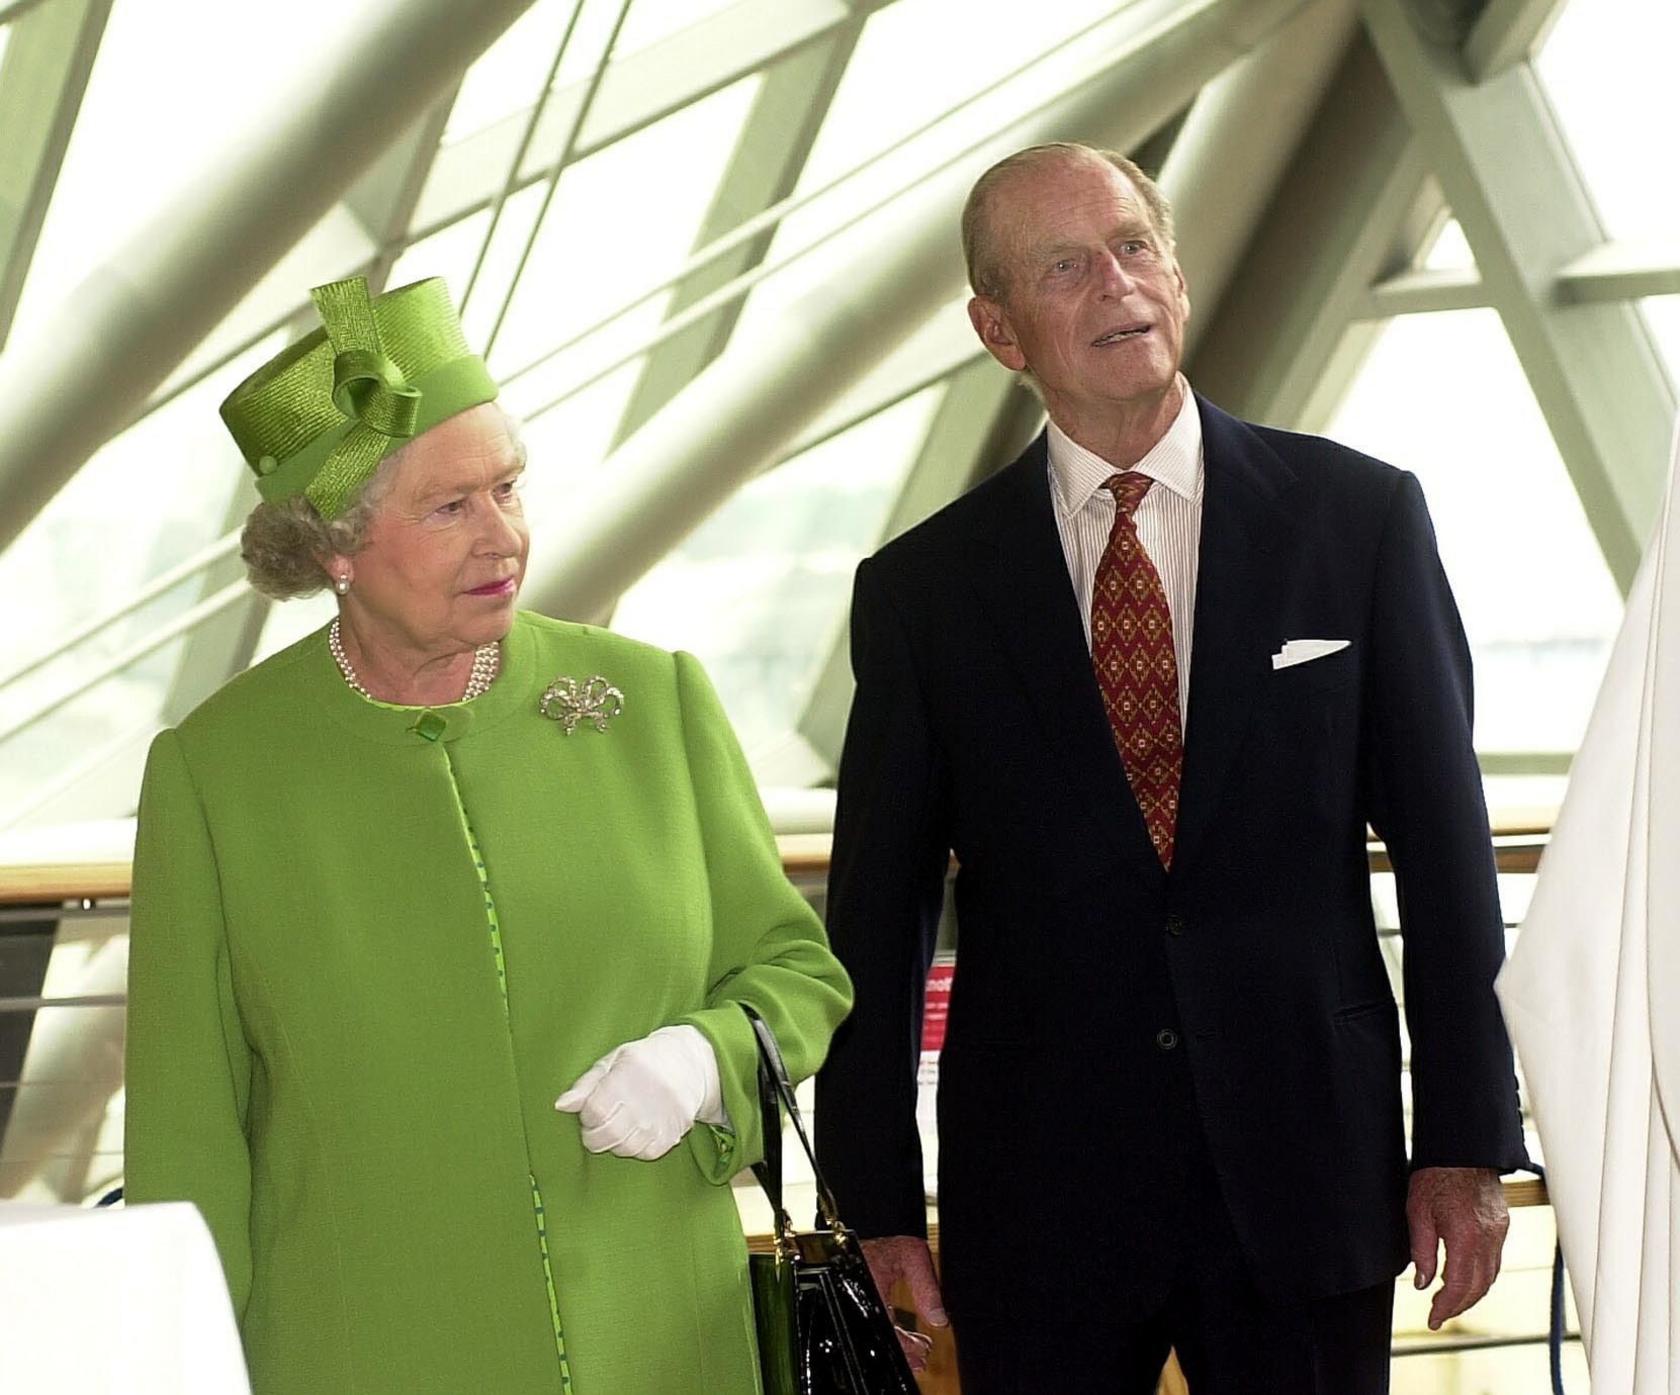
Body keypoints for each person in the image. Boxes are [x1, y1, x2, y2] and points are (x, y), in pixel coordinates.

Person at [813, 142, 1528, 1393]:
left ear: (1180, 281)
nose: (1116, 285)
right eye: (1064, 266)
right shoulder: (925, 593)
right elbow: (878, 910)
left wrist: (1465, 1141)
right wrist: (875, 1200)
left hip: (1311, 1161)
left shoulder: (1358, 521)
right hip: (1039, 1194)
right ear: (1000, 330)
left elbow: (1447, 852)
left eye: (1134, 248)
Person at [124, 275, 852, 1395]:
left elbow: (796, 970)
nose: (502, 534)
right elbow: (187, 1140)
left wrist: (703, 1058)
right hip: (362, 1350)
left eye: (508, 488)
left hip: (665, 1340)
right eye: (449, 508)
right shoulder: (217, 772)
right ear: (338, 551)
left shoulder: (651, 700)